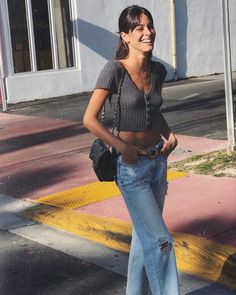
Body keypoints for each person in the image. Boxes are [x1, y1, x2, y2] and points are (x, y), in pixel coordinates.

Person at [83, 5, 180, 295]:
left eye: (149, 26)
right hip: (132, 170)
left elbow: (152, 110)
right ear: (125, 35)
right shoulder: (115, 70)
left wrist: (169, 134)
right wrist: (122, 147)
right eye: (139, 28)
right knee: (161, 241)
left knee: (144, 239)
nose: (147, 32)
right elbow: (89, 118)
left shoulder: (158, 70)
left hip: (157, 164)